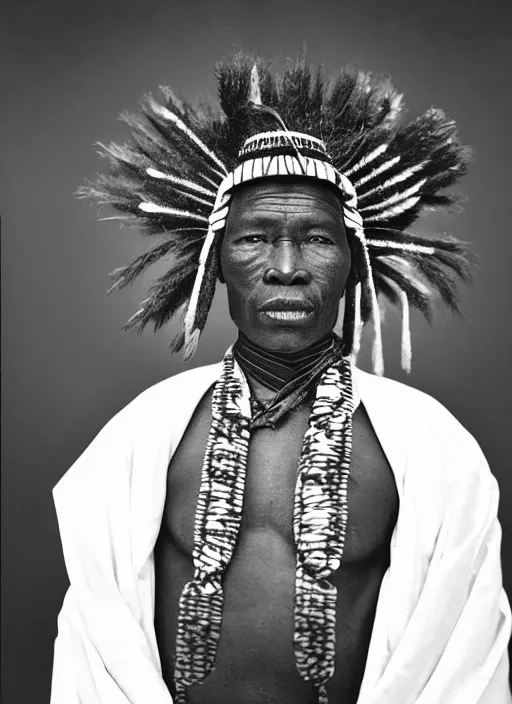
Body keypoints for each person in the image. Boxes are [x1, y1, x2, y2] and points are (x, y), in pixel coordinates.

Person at [50, 55, 512, 704]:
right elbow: (95, 648)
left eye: (318, 239)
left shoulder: (433, 451)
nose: (287, 267)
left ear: (354, 264)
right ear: (215, 264)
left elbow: (462, 663)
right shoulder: (140, 439)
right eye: (256, 239)